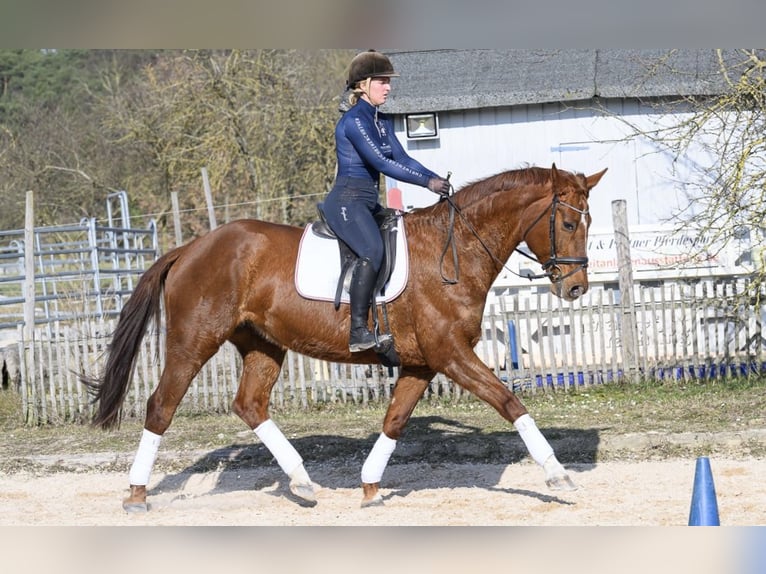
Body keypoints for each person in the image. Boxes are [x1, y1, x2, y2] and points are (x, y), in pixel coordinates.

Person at [323, 49, 451, 353]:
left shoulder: (380, 122)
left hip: (368, 203)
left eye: (388, 81)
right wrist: (426, 182)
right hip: (347, 202)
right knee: (372, 249)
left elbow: (403, 158)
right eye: (382, 81)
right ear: (363, 84)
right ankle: (357, 332)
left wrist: (436, 180)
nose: (388, 87)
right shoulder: (354, 122)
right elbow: (382, 163)